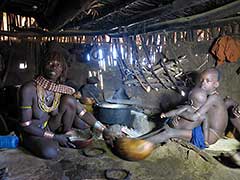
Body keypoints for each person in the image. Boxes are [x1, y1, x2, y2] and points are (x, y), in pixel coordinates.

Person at [19, 51, 116, 159]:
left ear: (62, 70)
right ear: (43, 66)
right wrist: (55, 137)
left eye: (58, 65)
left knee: (70, 100)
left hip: (49, 127)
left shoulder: (60, 89)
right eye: (50, 63)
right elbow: (26, 126)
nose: (54, 67)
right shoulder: (28, 89)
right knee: (51, 152)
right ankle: (55, 140)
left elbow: (83, 113)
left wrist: (104, 130)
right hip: (33, 131)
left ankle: (62, 136)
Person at [146, 68, 228, 147]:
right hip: (203, 125)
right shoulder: (203, 92)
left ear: (216, 84)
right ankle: (138, 140)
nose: (203, 83)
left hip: (210, 134)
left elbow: (194, 117)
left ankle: (139, 144)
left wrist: (178, 113)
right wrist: (176, 114)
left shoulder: (213, 98)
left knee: (169, 132)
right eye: (202, 80)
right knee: (166, 125)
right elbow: (189, 105)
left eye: (208, 81)